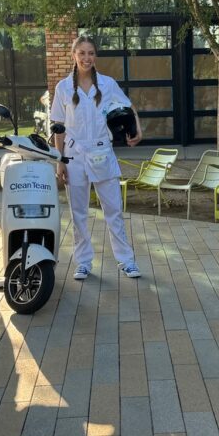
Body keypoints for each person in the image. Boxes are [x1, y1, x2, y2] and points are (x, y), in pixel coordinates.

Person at [51, 35, 143, 280]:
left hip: (102, 152)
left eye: (90, 53)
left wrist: (138, 128)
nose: (86, 58)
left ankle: (126, 260)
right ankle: (83, 262)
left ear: (95, 56)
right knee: (78, 212)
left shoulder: (107, 84)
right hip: (74, 155)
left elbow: (129, 106)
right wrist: (60, 160)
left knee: (113, 209)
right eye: (81, 53)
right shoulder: (63, 88)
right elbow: (58, 125)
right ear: (74, 56)